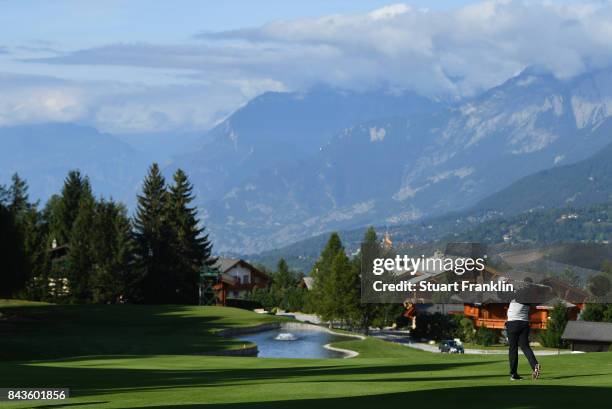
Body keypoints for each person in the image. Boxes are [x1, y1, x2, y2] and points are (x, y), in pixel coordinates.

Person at [505, 299, 541, 380]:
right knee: (525, 347)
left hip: (512, 323)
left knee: (513, 348)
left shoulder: (516, 297)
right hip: (524, 324)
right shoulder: (529, 300)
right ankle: (535, 365)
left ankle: (513, 374)